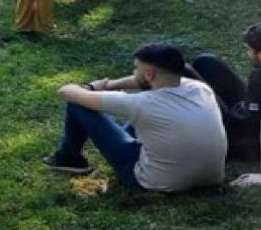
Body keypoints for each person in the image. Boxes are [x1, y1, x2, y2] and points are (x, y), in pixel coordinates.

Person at [45, 43, 227, 193]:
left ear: (149, 75)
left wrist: (89, 87)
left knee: (78, 104)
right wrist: (109, 85)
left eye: (136, 69)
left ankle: (69, 158)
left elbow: (66, 92)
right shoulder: (200, 89)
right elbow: (143, 82)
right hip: (211, 178)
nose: (134, 73)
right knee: (154, 121)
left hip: (155, 181)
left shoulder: (142, 103)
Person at [190, 22, 261, 163]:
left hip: (245, 138)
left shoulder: (258, 77)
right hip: (248, 112)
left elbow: (253, 118)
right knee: (206, 62)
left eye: (249, 50)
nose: (248, 54)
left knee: (187, 74)